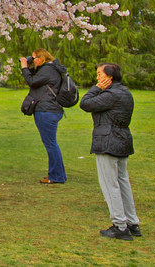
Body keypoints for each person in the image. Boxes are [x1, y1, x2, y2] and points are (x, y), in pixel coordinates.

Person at [80, 63, 141, 241]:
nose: (97, 77)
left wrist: (96, 88)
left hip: (108, 141)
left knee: (110, 184)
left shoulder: (110, 95)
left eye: (100, 74)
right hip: (122, 140)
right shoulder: (125, 93)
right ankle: (132, 222)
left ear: (110, 77)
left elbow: (85, 103)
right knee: (123, 182)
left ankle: (120, 225)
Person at [20, 49, 68, 184]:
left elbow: (32, 81)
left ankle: (57, 176)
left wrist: (24, 67)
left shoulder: (48, 70)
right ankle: (57, 174)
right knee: (51, 143)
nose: (33, 60)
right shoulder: (50, 69)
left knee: (51, 144)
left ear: (42, 58)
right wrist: (29, 66)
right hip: (50, 110)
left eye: (35, 58)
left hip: (47, 110)